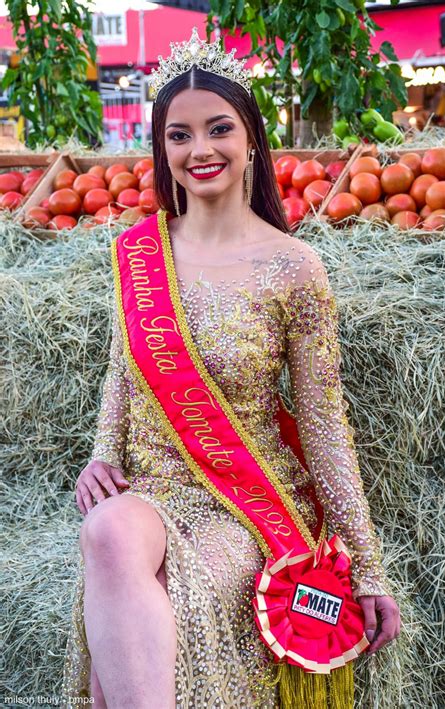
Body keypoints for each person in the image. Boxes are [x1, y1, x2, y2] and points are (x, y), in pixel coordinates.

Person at [61, 27, 400, 709]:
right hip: (154, 484)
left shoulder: (293, 267)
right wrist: (102, 454)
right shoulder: (139, 252)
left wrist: (366, 565)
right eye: (179, 135)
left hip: (244, 504)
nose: (200, 150)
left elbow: (326, 428)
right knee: (106, 531)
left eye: (218, 128)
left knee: (167, 610)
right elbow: (123, 369)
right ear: (162, 148)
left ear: (251, 137)